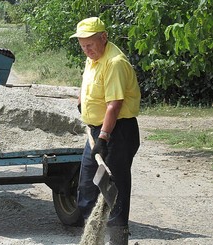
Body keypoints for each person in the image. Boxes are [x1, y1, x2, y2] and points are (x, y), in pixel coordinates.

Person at [70, 17, 141, 245]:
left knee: (115, 189)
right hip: (97, 131)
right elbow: (88, 83)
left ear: (104, 37)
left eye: (89, 44)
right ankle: (94, 238)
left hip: (116, 132)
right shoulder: (93, 58)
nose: (86, 50)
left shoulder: (115, 62)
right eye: (82, 46)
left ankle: (118, 239)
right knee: (87, 188)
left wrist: (103, 137)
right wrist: (82, 100)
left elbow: (114, 105)